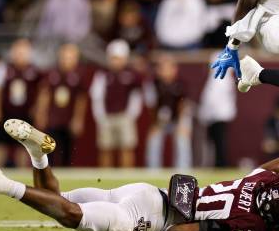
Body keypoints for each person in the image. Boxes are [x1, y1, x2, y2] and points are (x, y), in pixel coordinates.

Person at [0, 118, 279, 231]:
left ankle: (38, 154)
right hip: (155, 219)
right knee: (70, 216)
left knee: (58, 200)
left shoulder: (257, 183)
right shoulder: (252, 224)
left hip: (148, 192)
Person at [89, 39, 142, 167]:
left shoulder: (132, 75)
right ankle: (105, 180)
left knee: (126, 148)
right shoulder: (103, 74)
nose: (116, 61)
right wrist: (99, 115)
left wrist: (131, 114)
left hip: (124, 116)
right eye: (114, 58)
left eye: (118, 58)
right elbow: (97, 96)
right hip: (106, 116)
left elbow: (136, 97)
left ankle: (128, 181)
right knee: (105, 149)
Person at [0, 39, 41, 166]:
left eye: (23, 51)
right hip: (6, 113)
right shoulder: (4, 68)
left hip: (25, 113)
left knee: (24, 145)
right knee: (1, 144)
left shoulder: (34, 70)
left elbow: (41, 91)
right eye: (18, 51)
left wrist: (37, 110)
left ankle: (22, 173)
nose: (20, 54)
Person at [34, 44, 88, 166]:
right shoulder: (52, 74)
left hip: (68, 119)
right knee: (49, 150)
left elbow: (81, 99)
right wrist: (41, 113)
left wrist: (78, 119)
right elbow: (44, 94)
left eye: (70, 57)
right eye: (65, 57)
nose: (66, 60)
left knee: (67, 152)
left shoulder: (78, 76)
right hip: (53, 119)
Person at [145, 54, 192, 168]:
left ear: (174, 69)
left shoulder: (181, 83)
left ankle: (183, 170)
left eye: (168, 68)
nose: (165, 71)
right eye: (162, 68)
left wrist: (181, 124)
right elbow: (151, 105)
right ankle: (153, 170)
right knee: (154, 139)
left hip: (179, 117)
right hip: (159, 119)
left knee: (182, 138)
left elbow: (184, 105)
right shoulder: (153, 84)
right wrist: (154, 124)